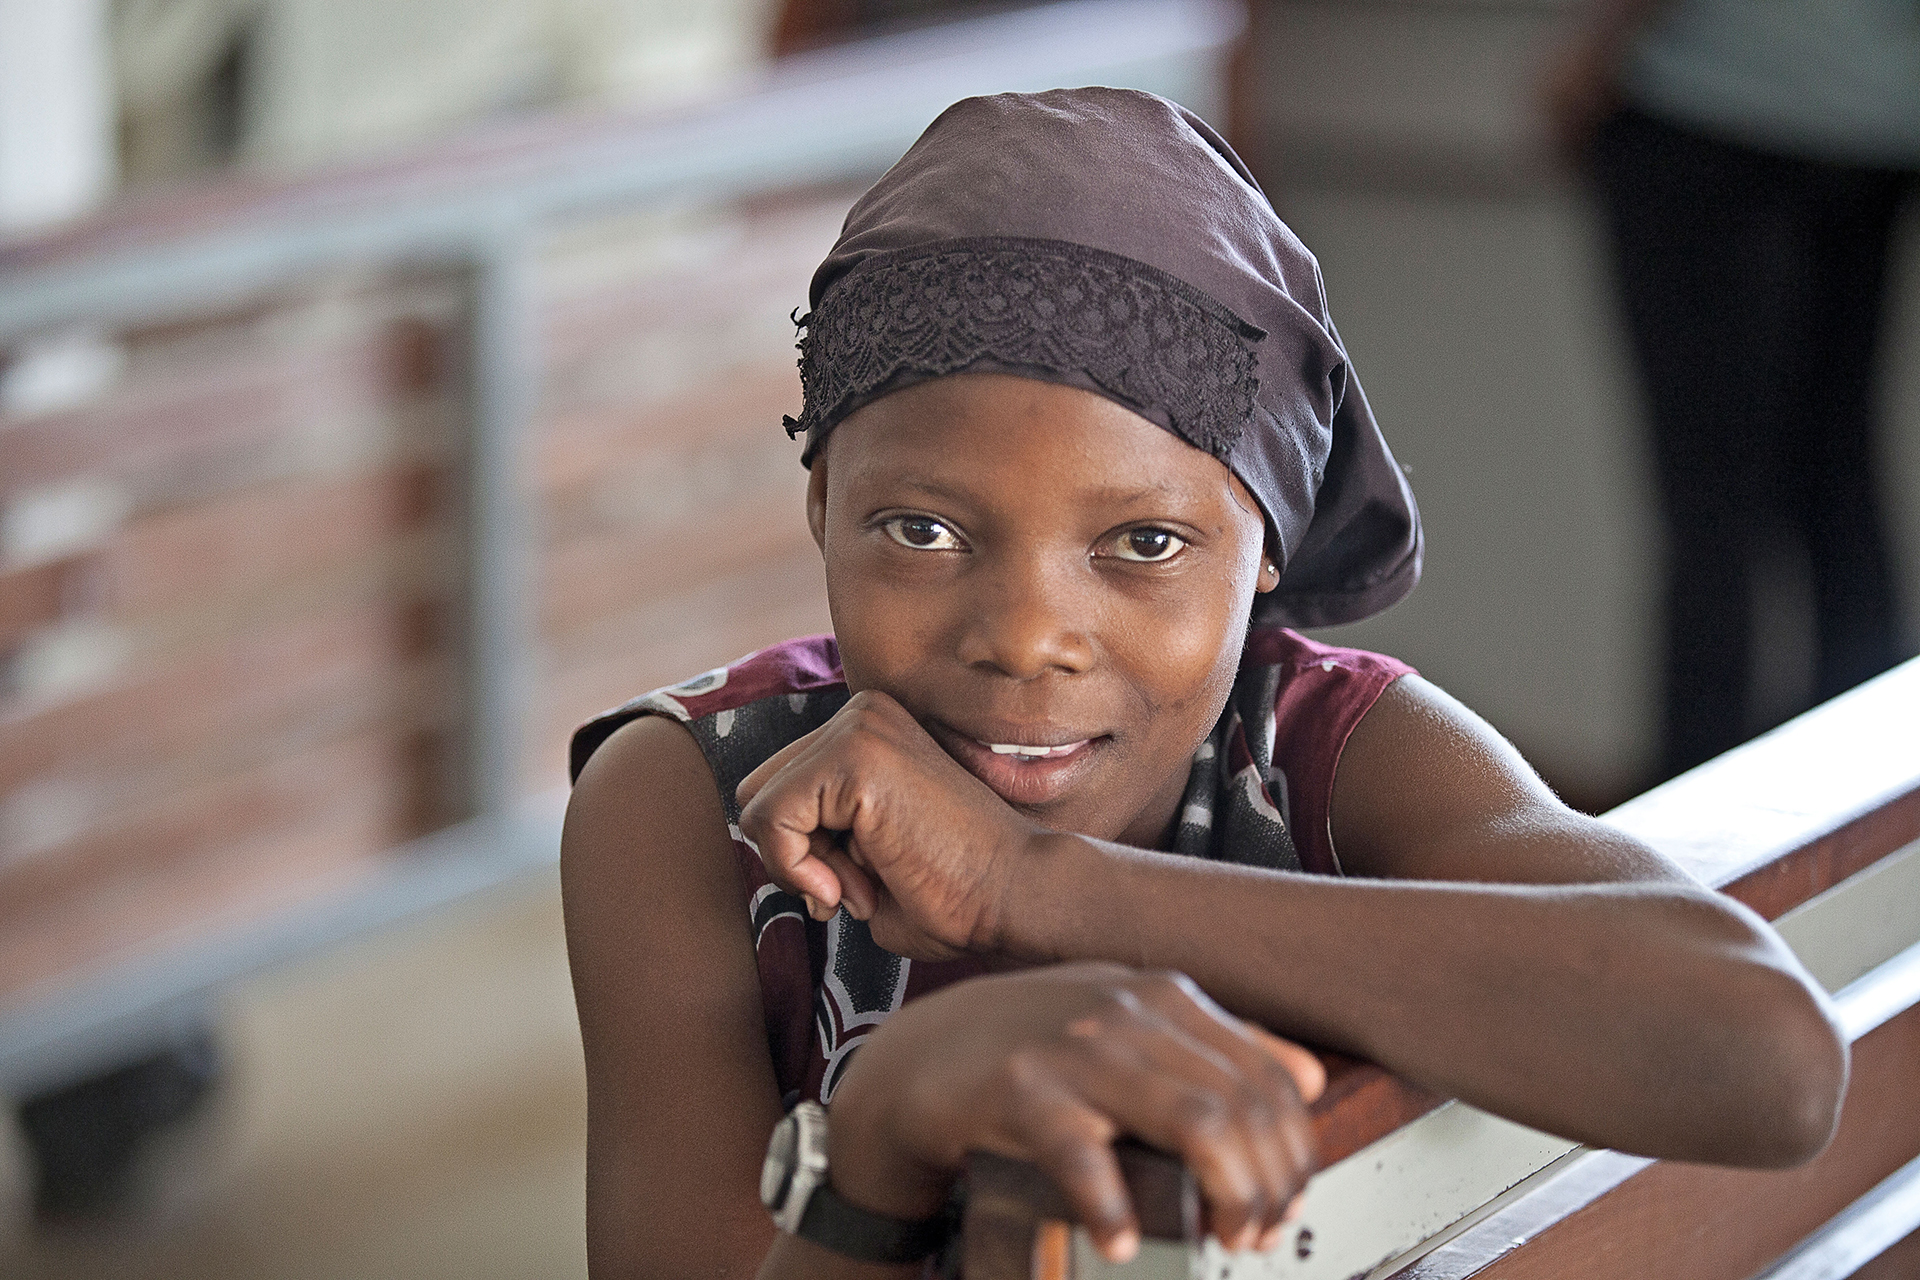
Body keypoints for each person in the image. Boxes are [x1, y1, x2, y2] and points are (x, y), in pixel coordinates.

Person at [560, 88, 1846, 1279]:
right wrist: (887, 1131)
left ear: (1267, 549)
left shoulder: (1326, 749)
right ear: (824, 502)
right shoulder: (692, 802)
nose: (1024, 638)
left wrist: (1037, 887)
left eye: (1145, 544)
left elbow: (1766, 1057)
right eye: (922, 530)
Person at [1540, 0, 1919, 778]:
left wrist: (1594, 44)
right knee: (1839, 489)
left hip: (1706, 107)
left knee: (1711, 506)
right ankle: (1873, 821)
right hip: (1876, 114)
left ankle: (1696, 847)